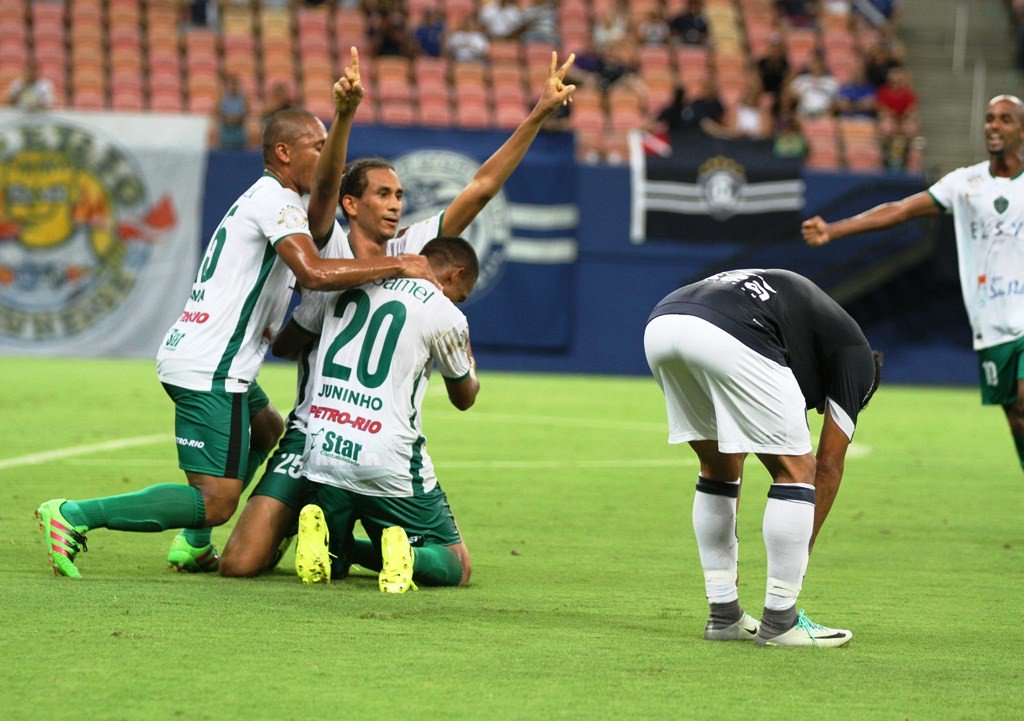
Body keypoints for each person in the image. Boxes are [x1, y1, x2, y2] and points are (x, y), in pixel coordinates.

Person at [34, 49, 438, 579]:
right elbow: (313, 273)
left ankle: (195, 545)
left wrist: (343, 116)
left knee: (267, 429)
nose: (326, 160)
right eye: (316, 147)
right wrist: (397, 267)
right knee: (219, 500)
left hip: (223, 361)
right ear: (283, 152)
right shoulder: (274, 203)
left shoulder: (277, 198)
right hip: (211, 365)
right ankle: (74, 515)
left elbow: (322, 199)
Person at [217, 51, 577, 578]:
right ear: (351, 205)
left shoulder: (412, 250)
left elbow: (480, 187)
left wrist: (538, 113)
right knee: (240, 564)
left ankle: (317, 536)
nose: (395, 205)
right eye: (383, 194)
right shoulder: (331, 247)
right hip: (312, 430)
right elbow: (322, 187)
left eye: (400, 195)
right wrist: (344, 115)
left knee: (273, 555)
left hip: (338, 438)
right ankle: (311, 537)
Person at [645, 269, 881, 647]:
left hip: (663, 323)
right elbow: (828, 464)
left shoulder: (804, 331)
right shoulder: (858, 363)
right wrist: (798, 559)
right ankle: (780, 621)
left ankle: (724, 614)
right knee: (796, 469)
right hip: (731, 332)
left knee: (719, 468)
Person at [803, 94, 1024, 473]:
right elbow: (900, 210)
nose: (994, 126)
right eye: (990, 118)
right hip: (991, 324)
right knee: (1016, 418)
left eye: (1005, 119)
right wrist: (835, 229)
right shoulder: (965, 183)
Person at [283, 236, 480, 592]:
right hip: (387, 463)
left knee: (337, 562)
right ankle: (409, 555)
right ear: (455, 274)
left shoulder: (351, 282)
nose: (457, 300)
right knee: (458, 565)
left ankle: (330, 548)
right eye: (460, 293)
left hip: (323, 452)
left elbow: (287, 343)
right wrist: (468, 355)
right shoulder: (444, 311)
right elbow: (464, 397)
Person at [217, 75, 248, 150]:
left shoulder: (243, 99)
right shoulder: (222, 98)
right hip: (226, 135)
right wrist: (228, 118)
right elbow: (219, 111)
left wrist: (237, 118)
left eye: (235, 84)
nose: (233, 86)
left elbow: (245, 112)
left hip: (239, 134)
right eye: (231, 84)